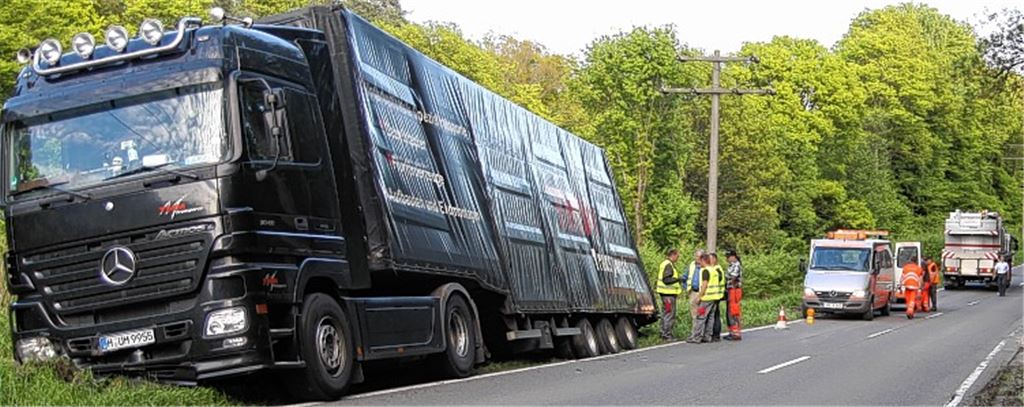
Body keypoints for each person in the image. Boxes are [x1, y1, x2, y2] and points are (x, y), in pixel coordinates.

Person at [687, 254, 725, 343]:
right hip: (714, 298)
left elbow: (704, 285)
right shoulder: (714, 270)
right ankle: (707, 336)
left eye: (700, 261)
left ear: (703, 261)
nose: (699, 263)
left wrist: (699, 296)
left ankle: (696, 337)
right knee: (710, 317)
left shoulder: (705, 271)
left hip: (706, 298)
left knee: (700, 317)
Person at [655, 249, 683, 340]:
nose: (677, 259)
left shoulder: (666, 264)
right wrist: (678, 279)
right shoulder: (668, 265)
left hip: (665, 294)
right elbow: (666, 280)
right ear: (673, 255)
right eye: (677, 256)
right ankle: (667, 335)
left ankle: (663, 333)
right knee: (669, 314)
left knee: (666, 313)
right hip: (668, 294)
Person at [682, 249, 705, 336]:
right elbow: (685, 276)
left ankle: (702, 333)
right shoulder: (692, 265)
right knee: (694, 314)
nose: (696, 258)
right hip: (693, 293)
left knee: (702, 313)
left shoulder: (705, 266)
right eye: (696, 256)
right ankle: (695, 333)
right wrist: (686, 288)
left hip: (702, 293)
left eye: (698, 257)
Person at [725, 251, 743, 341]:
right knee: (730, 311)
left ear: (733, 257)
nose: (727, 259)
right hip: (730, 289)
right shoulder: (731, 265)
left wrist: (728, 282)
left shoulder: (736, 265)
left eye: (728, 257)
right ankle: (732, 331)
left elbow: (733, 277)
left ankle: (736, 332)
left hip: (734, 289)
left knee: (734, 310)